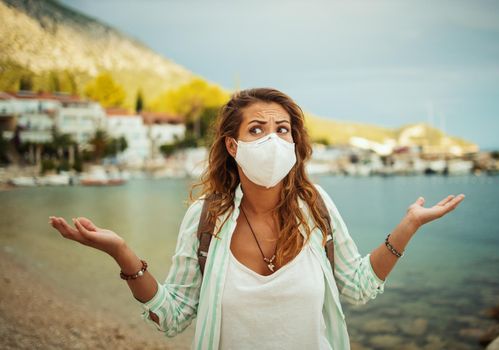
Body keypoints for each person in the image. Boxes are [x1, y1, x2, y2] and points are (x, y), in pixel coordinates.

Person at [49, 88, 465, 350]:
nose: (273, 139)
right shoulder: (206, 218)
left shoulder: (315, 206)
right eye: (257, 130)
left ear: (295, 143)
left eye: (283, 130)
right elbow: (173, 315)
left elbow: (357, 288)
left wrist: (409, 225)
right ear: (232, 145)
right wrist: (121, 252)